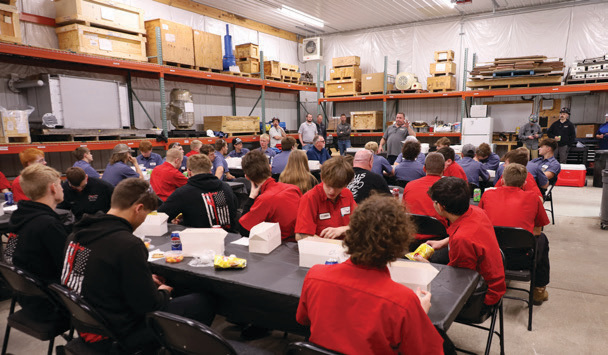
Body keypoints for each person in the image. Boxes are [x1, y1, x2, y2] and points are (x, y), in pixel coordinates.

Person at [61, 178, 215, 352]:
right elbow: (149, 305)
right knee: (203, 302)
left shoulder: (76, 235)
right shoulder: (128, 244)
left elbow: (98, 273)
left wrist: (141, 278)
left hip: (87, 323)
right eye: (147, 215)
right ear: (139, 208)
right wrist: (164, 291)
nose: (144, 221)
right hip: (118, 333)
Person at [296, 195, 443, 355]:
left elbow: (303, 319)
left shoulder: (315, 275)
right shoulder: (404, 301)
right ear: (399, 244)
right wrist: (420, 313)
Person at [426, 177, 506, 308]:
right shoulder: (476, 211)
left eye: (434, 202)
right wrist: (443, 242)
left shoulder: (461, 239)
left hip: (482, 296)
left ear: (440, 206)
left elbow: (459, 281)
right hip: (492, 278)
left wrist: (427, 268)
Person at [479, 163, 551, 305]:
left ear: (503, 180)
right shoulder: (534, 198)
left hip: (490, 257)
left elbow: (480, 222)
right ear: (524, 183)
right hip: (521, 259)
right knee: (542, 239)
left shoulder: (487, 195)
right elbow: (537, 230)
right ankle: (539, 289)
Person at [5, 164, 68, 322]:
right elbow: (67, 270)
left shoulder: (19, 217)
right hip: (50, 303)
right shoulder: (47, 225)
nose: (62, 188)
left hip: (27, 296)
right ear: (53, 188)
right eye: (60, 184)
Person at [159, 154, 237, 230]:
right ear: (210, 170)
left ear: (189, 172)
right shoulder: (227, 187)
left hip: (198, 239)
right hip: (230, 237)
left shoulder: (183, 193)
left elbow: (160, 217)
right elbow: (234, 210)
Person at [238, 150, 302, 241]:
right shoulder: (294, 189)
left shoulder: (264, 200)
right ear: (270, 168)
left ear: (247, 177)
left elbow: (244, 230)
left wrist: (251, 197)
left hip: (280, 247)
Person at [295, 156, 356, 240]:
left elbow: (360, 224)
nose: (332, 191)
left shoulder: (347, 194)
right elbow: (301, 235)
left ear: (345, 184)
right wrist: (330, 244)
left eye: (338, 187)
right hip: (321, 248)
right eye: (328, 185)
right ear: (322, 178)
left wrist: (344, 229)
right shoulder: (310, 198)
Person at [402, 153, 449, 250]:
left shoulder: (409, 186)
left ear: (424, 168)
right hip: (439, 242)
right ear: (444, 169)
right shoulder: (449, 189)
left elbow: (403, 211)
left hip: (410, 240)